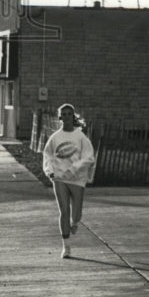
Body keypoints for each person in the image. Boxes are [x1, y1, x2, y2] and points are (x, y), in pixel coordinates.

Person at [42, 103, 95, 259]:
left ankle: (75, 223)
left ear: (73, 117)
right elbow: (47, 156)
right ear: (60, 118)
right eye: (63, 114)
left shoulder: (81, 137)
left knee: (76, 214)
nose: (66, 117)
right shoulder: (55, 138)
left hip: (77, 179)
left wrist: (74, 169)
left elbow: (89, 158)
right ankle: (66, 246)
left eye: (69, 114)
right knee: (64, 211)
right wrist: (50, 172)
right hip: (59, 178)